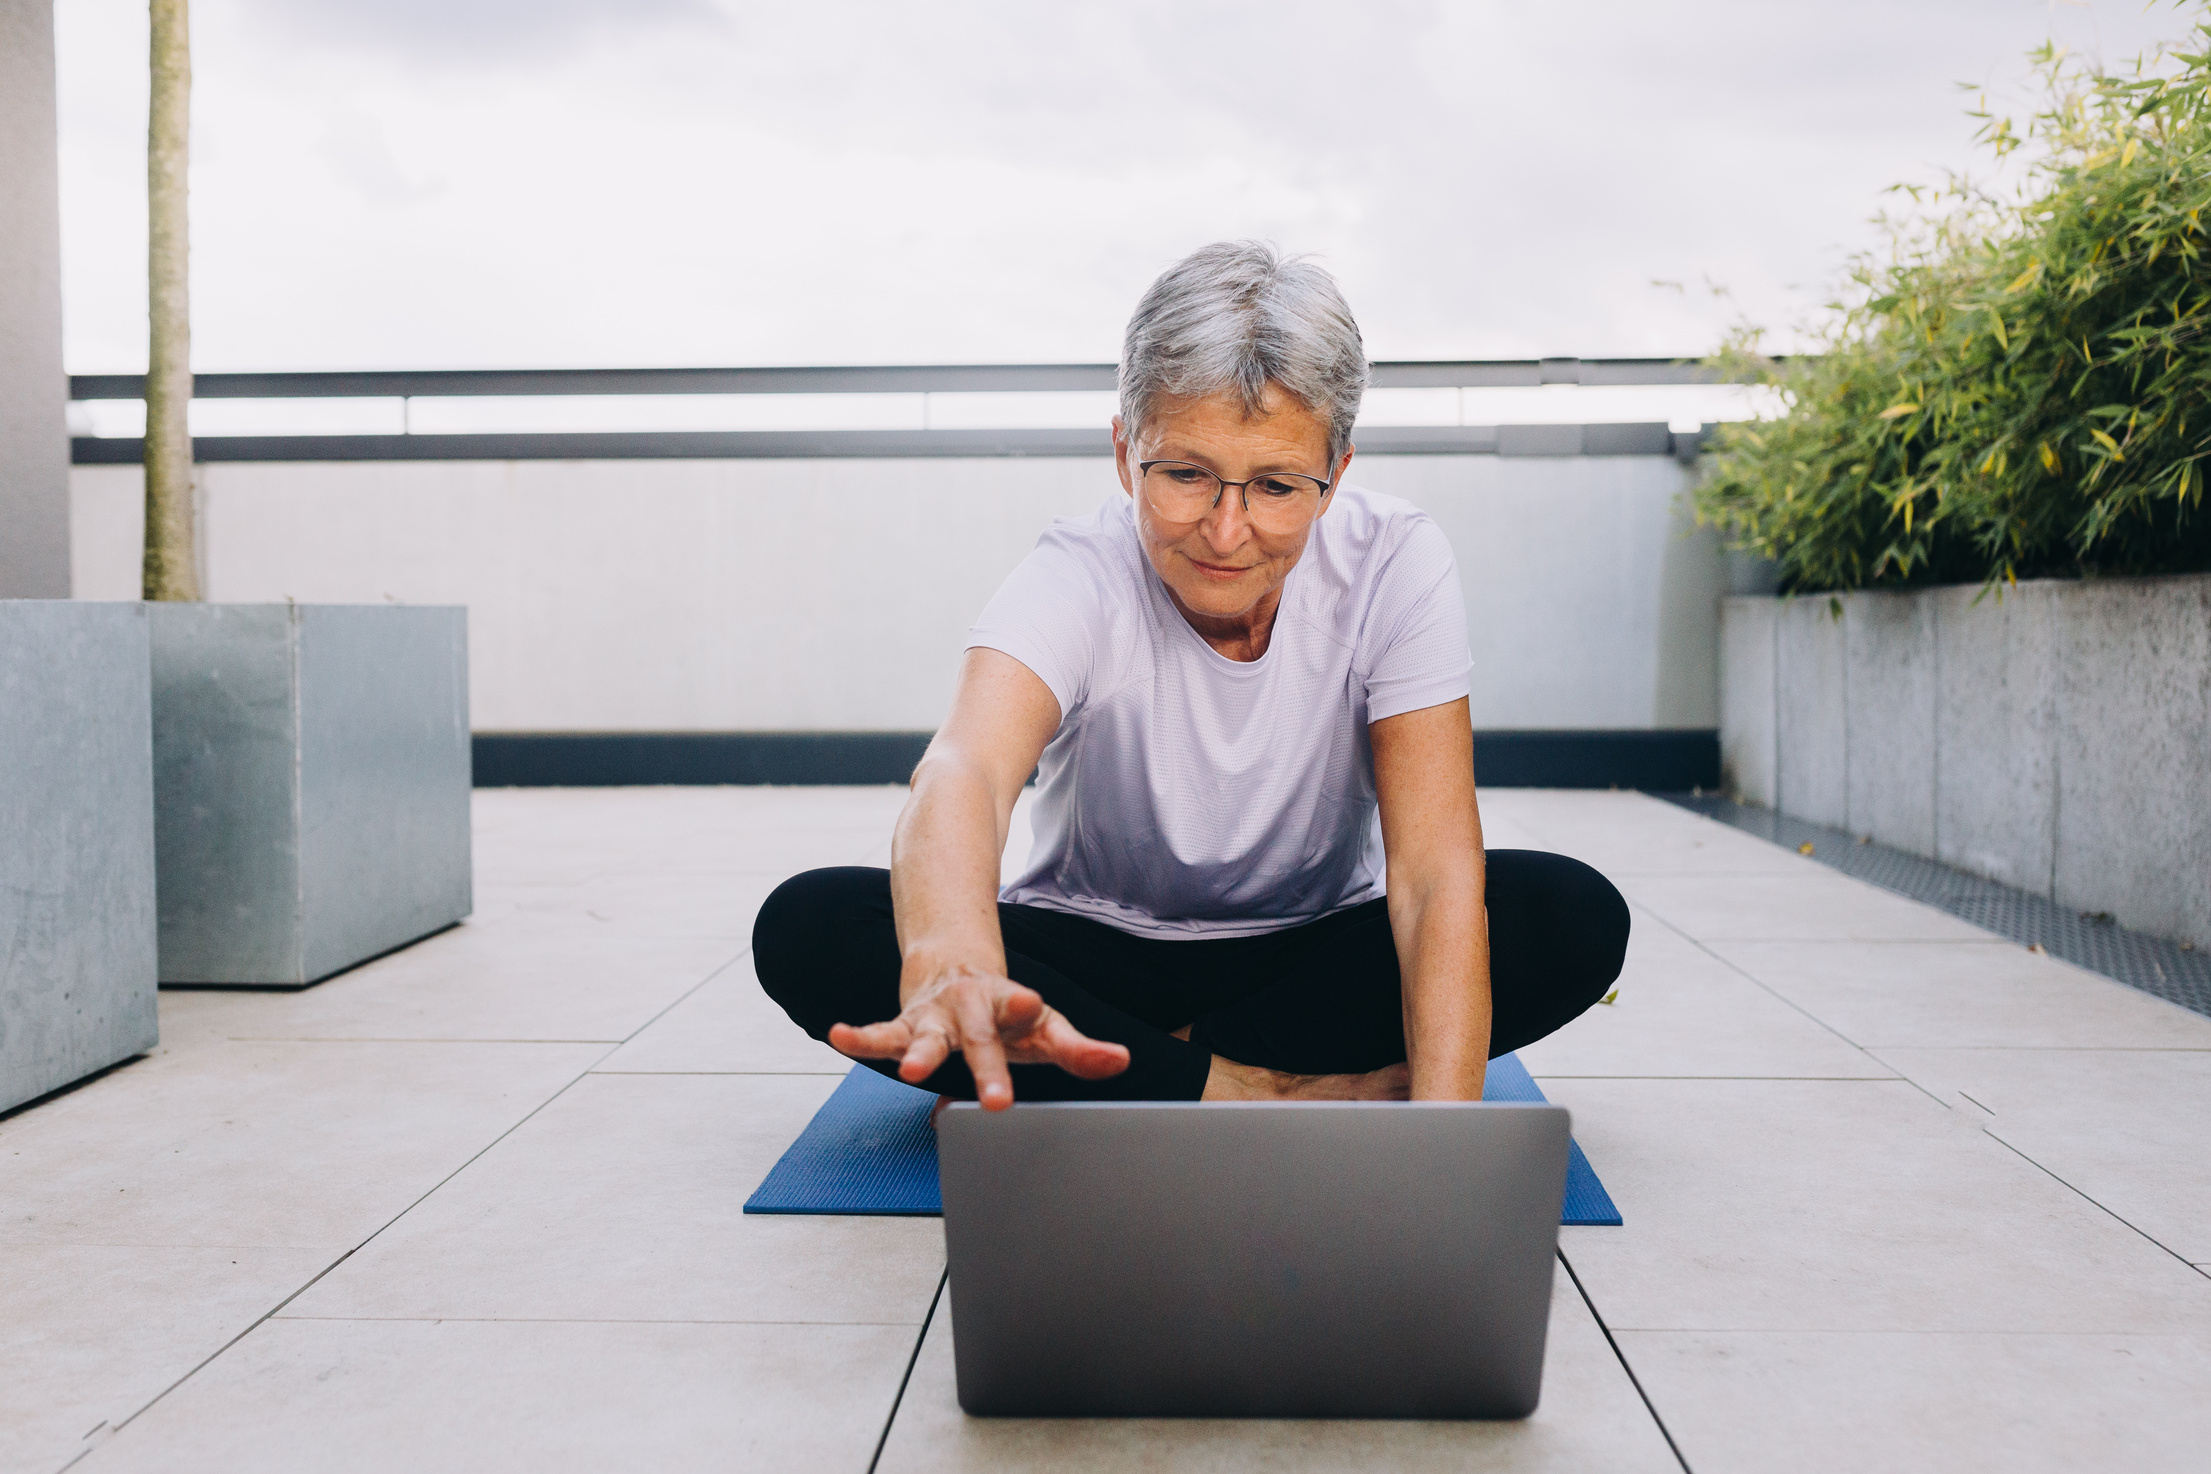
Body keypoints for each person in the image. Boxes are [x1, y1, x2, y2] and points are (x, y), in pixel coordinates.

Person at [754, 241, 1627, 1110]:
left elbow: (1433, 872)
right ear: (1124, 452)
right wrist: (957, 967)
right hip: (1093, 950)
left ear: (1337, 476)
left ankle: (1120, 1080)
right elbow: (963, 771)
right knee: (814, 926)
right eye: (1185, 475)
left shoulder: (1394, 560)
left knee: (1568, 913)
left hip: (1307, 955)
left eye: (1276, 486)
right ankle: (1253, 1092)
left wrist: (1440, 1151)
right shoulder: (1077, 572)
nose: (1225, 531)